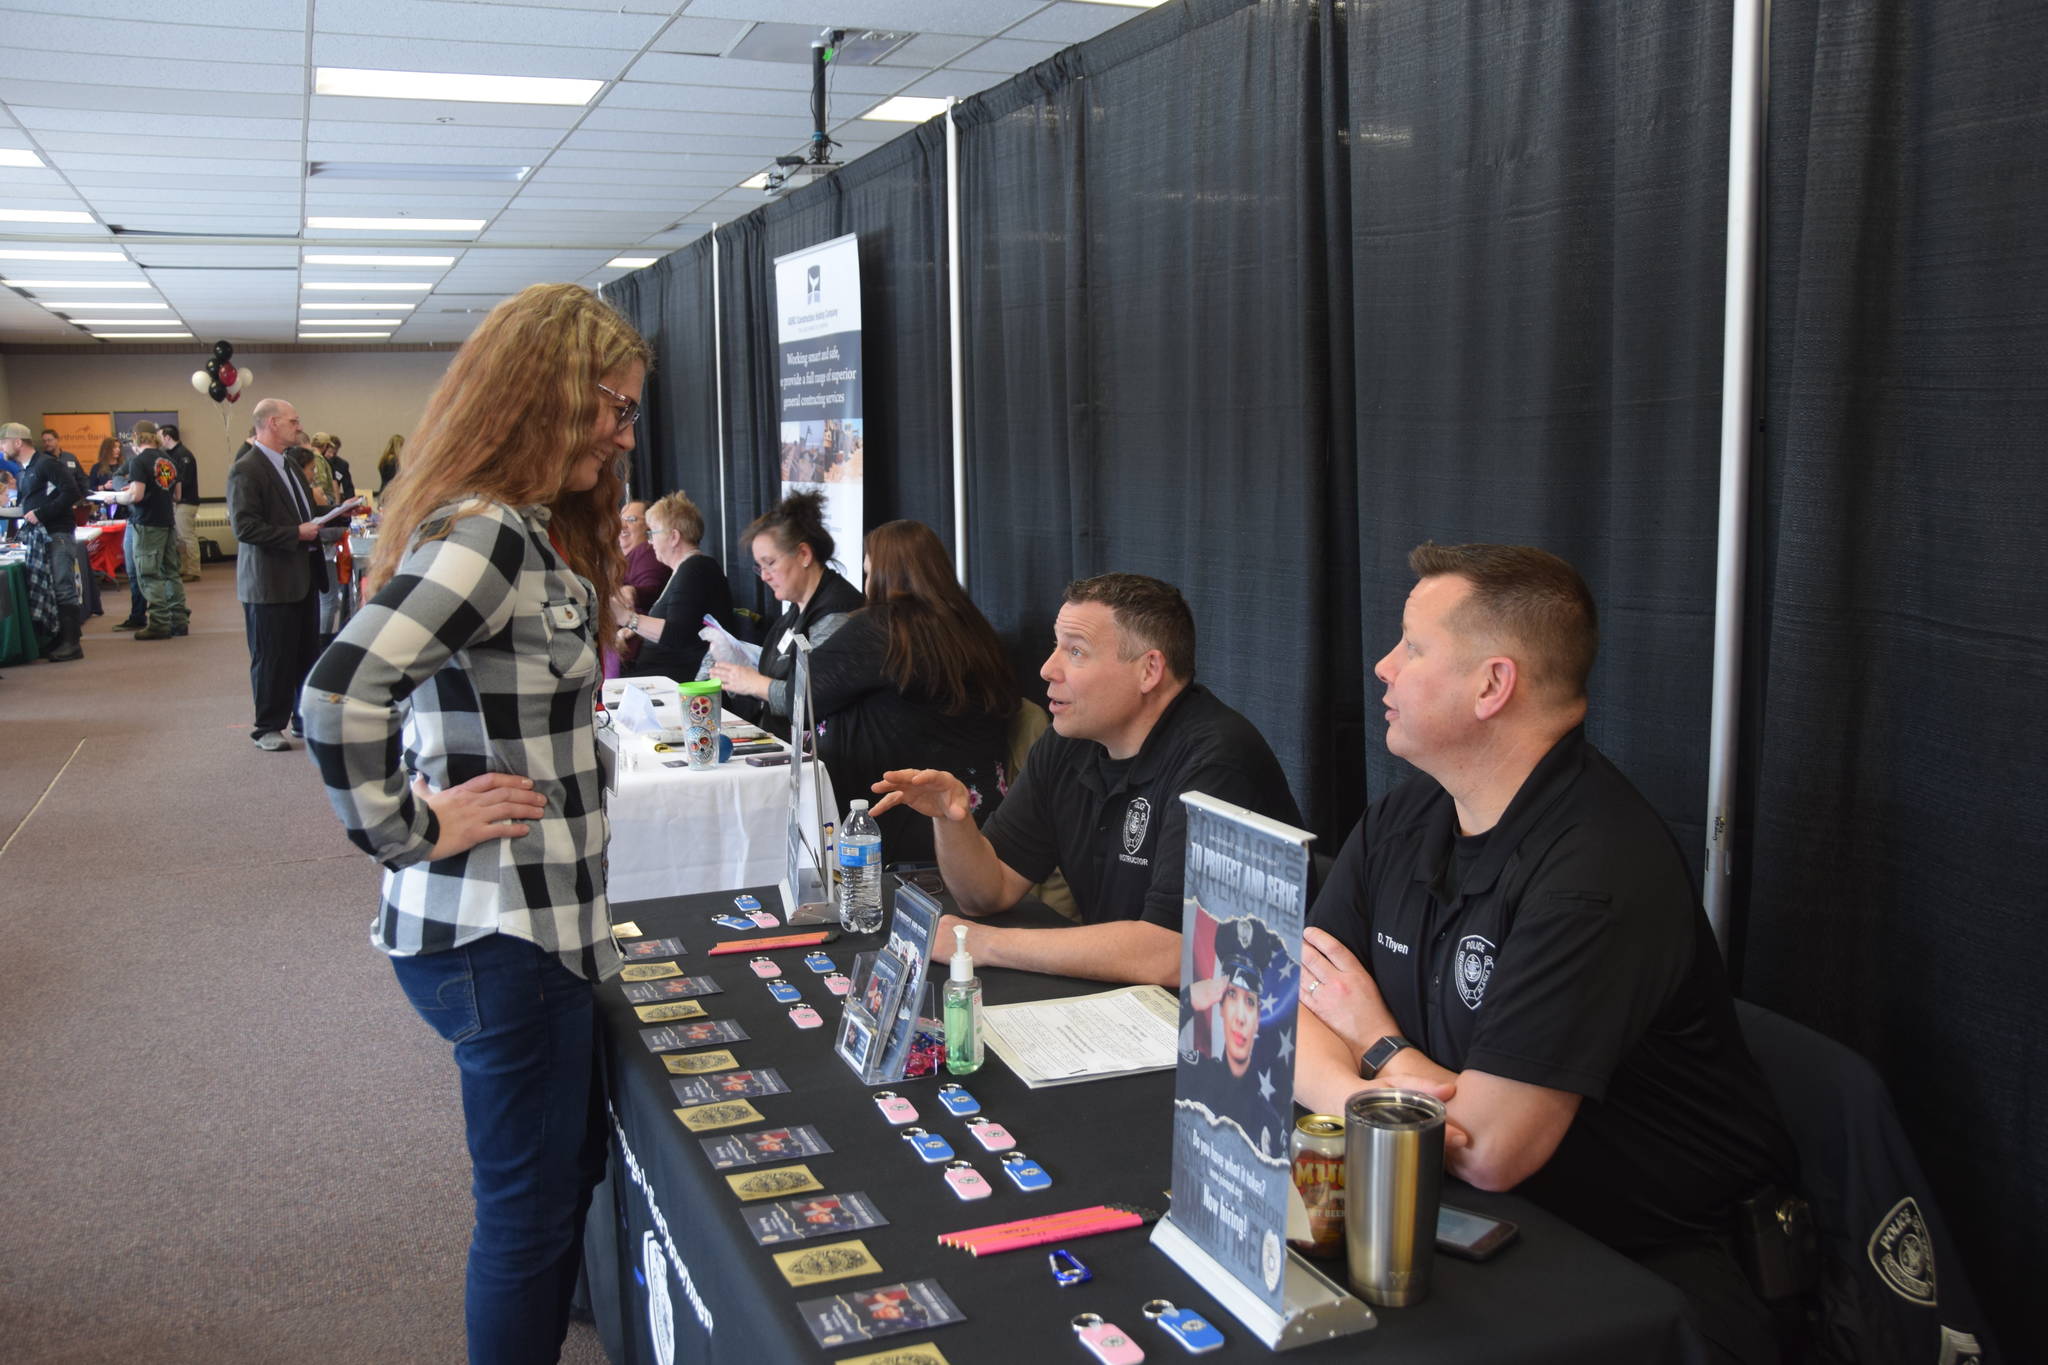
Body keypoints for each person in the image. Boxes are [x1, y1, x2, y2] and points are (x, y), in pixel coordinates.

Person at [1293, 543, 1795, 1365]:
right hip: (1459, 1209)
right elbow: (1302, 999)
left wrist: (1378, 1038)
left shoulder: (1594, 869)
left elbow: (1489, 1148)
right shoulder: (1403, 819)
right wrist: (1368, 1099)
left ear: (1494, 685)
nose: (1383, 667)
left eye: (1413, 647)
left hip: (1641, 1267)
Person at [300, 282, 643, 1365]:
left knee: (552, 1190)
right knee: (528, 1222)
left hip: (533, 932)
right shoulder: (487, 534)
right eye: (613, 408)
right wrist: (413, 829)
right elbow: (338, 694)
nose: (625, 435)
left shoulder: (520, 532)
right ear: (548, 393)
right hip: (502, 937)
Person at [871, 573, 1300, 986]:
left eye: (1075, 652)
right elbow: (989, 891)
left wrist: (981, 944)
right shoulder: (1071, 741)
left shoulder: (1216, 764)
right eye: (1055, 647)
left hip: (1216, 1028)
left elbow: (1173, 952)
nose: (1046, 669)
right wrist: (952, 820)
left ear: (1149, 670)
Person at [803, 519, 1016, 863]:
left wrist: (757, 682)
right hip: (975, 817)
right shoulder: (972, 626)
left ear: (889, 577)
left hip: (909, 823)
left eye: (870, 574)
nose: (867, 585)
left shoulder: (883, 628)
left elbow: (804, 693)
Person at [706, 489, 863, 735]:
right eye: (760, 567)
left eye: (770, 563)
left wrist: (754, 684)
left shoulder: (837, 615)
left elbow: (812, 699)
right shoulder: (796, 609)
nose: (765, 576)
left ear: (803, 554)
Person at [228, 401, 328, 750]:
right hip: (269, 582)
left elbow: (307, 514)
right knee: (271, 656)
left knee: (305, 653)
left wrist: (337, 516)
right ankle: (267, 727)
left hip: (302, 576)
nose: (299, 426)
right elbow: (245, 528)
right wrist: (296, 534)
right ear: (271, 423)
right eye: (293, 421)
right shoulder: (247, 469)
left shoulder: (290, 465)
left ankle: (302, 718)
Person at [617, 491, 734, 683]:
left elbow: (677, 634)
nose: (649, 541)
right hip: (664, 676)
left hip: (677, 682)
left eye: (652, 533)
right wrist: (633, 628)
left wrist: (627, 618)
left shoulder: (695, 569)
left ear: (673, 537)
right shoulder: (687, 569)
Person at [94, 420, 187, 640]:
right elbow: (177, 496)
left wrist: (116, 497)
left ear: (135, 439)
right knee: (171, 573)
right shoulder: (169, 461)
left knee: (149, 574)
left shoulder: (138, 462)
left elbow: (136, 496)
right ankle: (179, 621)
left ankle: (159, 624)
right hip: (167, 522)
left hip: (146, 524)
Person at [4, 422, 86, 659]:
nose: (1, 448)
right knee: (52, 588)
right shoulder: (25, 471)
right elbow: (25, 507)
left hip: (57, 534)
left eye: (3, 442)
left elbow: (72, 492)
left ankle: (72, 644)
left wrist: (41, 513)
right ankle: (61, 639)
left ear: (17, 442)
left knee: (62, 586)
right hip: (41, 537)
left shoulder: (46, 464)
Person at [607, 498, 671, 677]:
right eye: (621, 519)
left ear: (650, 527)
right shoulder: (621, 558)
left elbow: (651, 589)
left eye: (632, 520)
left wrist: (632, 592)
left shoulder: (646, 552)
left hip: (639, 657)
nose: (622, 525)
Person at [160, 423, 202, 582]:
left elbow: (185, 481)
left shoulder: (184, 455)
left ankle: (193, 570)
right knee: (180, 538)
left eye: (159, 437)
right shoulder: (170, 454)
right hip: (178, 501)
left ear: (167, 437)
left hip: (186, 501)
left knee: (187, 536)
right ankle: (184, 568)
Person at [317, 432, 356, 502]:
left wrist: (351, 502)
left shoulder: (342, 465)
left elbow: (348, 488)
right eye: (329, 452)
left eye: (334, 453)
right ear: (324, 448)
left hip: (334, 498)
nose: (331, 455)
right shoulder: (317, 461)